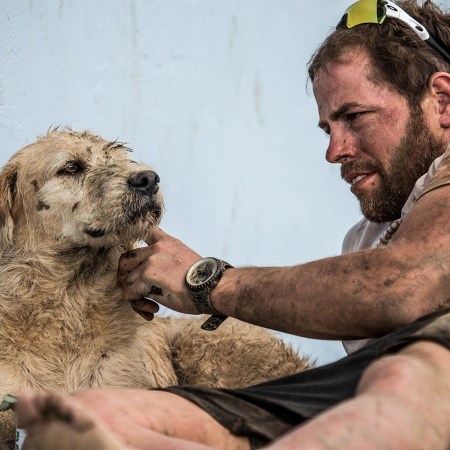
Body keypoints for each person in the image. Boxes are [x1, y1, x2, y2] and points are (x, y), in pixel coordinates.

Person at [15, 0, 450, 449]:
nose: (334, 150)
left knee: (408, 373)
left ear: (443, 100)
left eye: (355, 117)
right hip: (349, 394)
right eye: (327, 128)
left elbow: (402, 286)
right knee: (90, 418)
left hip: (417, 382)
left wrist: (206, 282)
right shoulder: (365, 240)